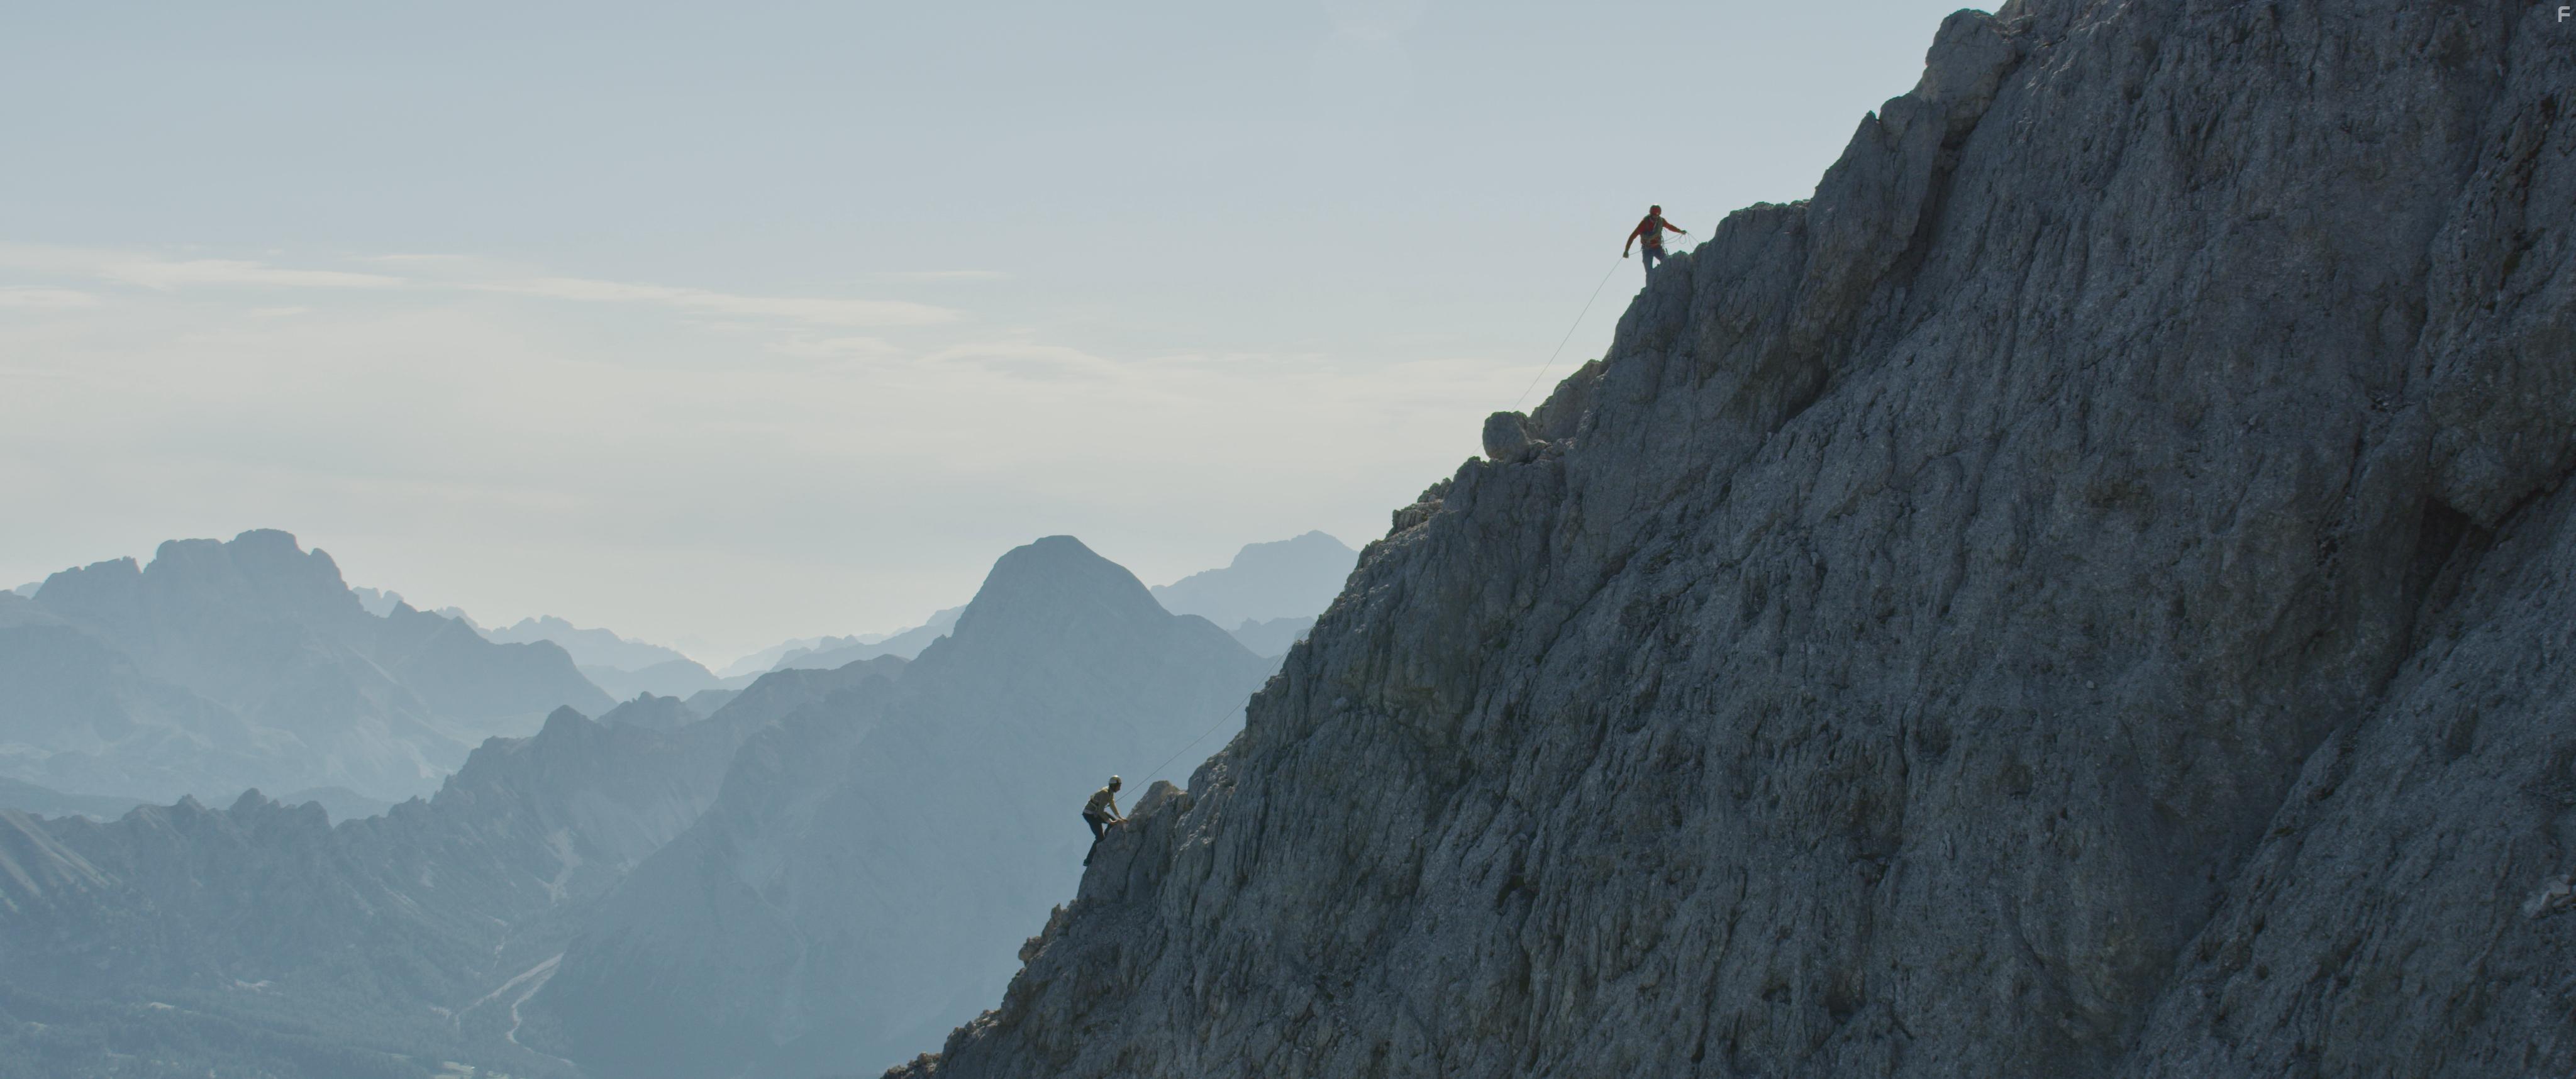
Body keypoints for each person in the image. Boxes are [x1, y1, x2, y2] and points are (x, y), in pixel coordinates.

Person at [1624, 205, 1689, 275]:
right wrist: (1626, 250)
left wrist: (1680, 231)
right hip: (1647, 249)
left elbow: (1670, 227)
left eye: (1657, 215)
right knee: (1649, 271)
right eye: (1654, 215)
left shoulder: (1661, 221)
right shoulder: (1644, 223)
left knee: (1666, 262)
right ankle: (1651, 285)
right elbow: (1633, 236)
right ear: (1651, 215)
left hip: (1657, 247)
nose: (1656, 217)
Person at [1081, 775, 1124, 866]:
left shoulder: (1110, 792)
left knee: (1113, 822)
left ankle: (1106, 838)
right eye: (1119, 786)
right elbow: (1101, 811)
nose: (1120, 788)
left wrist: (1119, 817)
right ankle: (1088, 860)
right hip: (1090, 815)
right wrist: (1110, 822)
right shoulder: (1105, 794)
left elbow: (1112, 804)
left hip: (1095, 813)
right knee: (1100, 837)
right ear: (1114, 785)